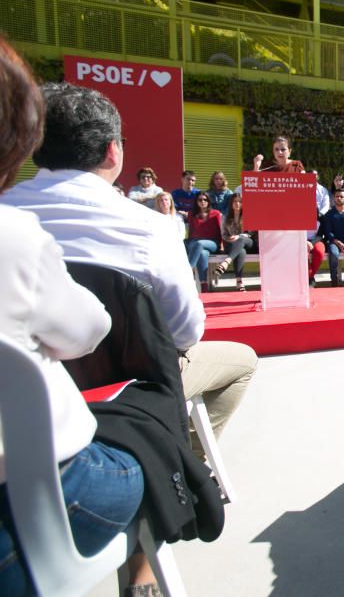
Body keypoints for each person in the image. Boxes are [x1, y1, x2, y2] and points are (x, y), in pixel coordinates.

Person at [1, 82, 257, 452]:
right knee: (243, 362)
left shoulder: (7, 215)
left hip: (24, 399)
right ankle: (181, 461)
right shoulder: (148, 227)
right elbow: (186, 333)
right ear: (112, 150)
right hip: (133, 386)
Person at [0, 36, 158, 597]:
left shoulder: (13, 210)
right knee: (158, 427)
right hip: (49, 487)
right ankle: (143, 563)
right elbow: (99, 332)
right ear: (113, 152)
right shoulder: (14, 236)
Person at [318, 188, 344, 286]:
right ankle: (334, 279)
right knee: (333, 253)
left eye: (341, 196)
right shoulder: (328, 215)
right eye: (336, 196)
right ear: (333, 199)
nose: (339, 198)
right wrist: (338, 243)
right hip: (333, 242)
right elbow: (328, 233)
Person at [185, 191, 223, 293]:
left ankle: (188, 270)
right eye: (200, 200)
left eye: (205, 199)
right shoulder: (192, 214)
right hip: (197, 245)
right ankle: (204, 285)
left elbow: (221, 230)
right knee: (202, 253)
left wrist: (222, 246)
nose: (202, 202)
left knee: (199, 243)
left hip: (213, 243)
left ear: (208, 201)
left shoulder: (216, 214)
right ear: (196, 201)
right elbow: (191, 232)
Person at [216, 193, 254, 291]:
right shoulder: (225, 217)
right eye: (235, 201)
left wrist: (238, 236)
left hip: (248, 242)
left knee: (241, 240)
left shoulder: (248, 215)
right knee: (241, 251)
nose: (237, 204)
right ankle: (239, 282)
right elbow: (223, 234)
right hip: (232, 245)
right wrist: (230, 238)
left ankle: (226, 262)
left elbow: (251, 233)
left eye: (240, 202)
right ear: (231, 203)